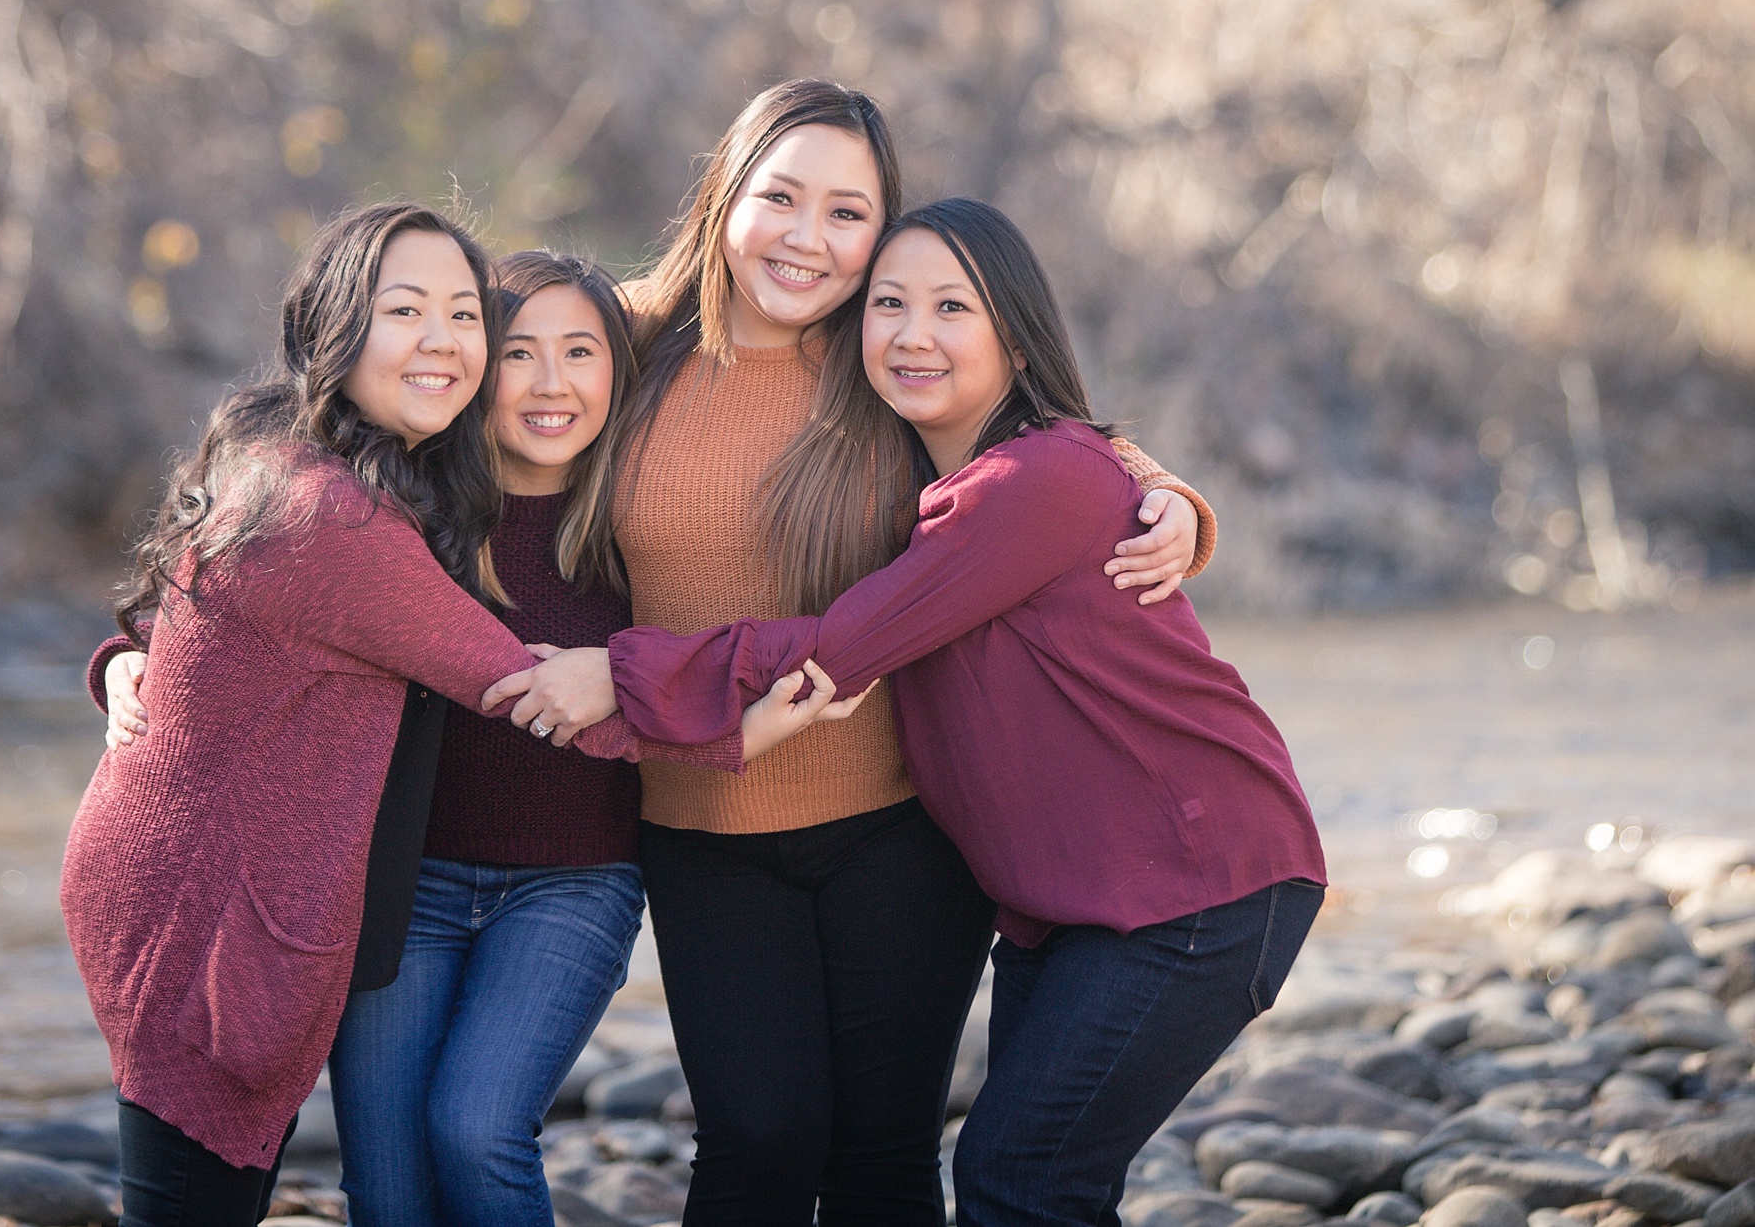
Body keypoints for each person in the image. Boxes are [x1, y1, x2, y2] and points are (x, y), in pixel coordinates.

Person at [495, 197, 1327, 1227]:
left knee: (1016, 1183)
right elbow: (517, 334)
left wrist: (616, 675)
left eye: (950, 308)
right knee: (1032, 1185)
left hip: (1195, 887)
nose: (912, 332)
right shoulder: (958, 466)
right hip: (1064, 905)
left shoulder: (1023, 482)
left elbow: (837, 652)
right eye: (890, 304)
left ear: (1013, 337)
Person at [63, 204, 844, 1227]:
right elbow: (244, 605)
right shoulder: (403, 498)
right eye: (515, 347)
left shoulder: (634, 519)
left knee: (473, 1133)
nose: (549, 379)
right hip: (405, 885)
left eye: (579, 352)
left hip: (568, 884)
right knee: (385, 1189)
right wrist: (130, 664)